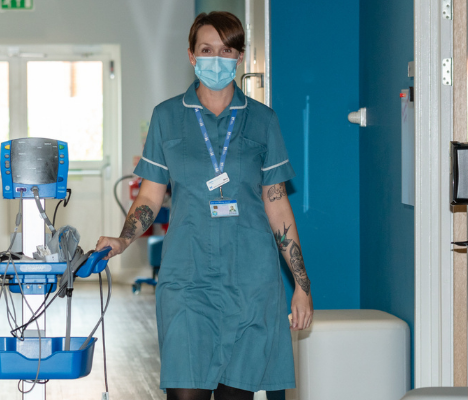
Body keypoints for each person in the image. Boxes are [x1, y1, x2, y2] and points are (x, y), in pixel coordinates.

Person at [95, 11, 313, 400]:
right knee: (184, 393)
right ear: (192, 56)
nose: (217, 59)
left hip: (251, 282)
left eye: (226, 51)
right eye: (207, 50)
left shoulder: (262, 121)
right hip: (187, 279)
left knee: (236, 395)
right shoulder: (167, 117)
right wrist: (123, 240)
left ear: (240, 57)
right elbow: (149, 195)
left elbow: (277, 204)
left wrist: (301, 284)